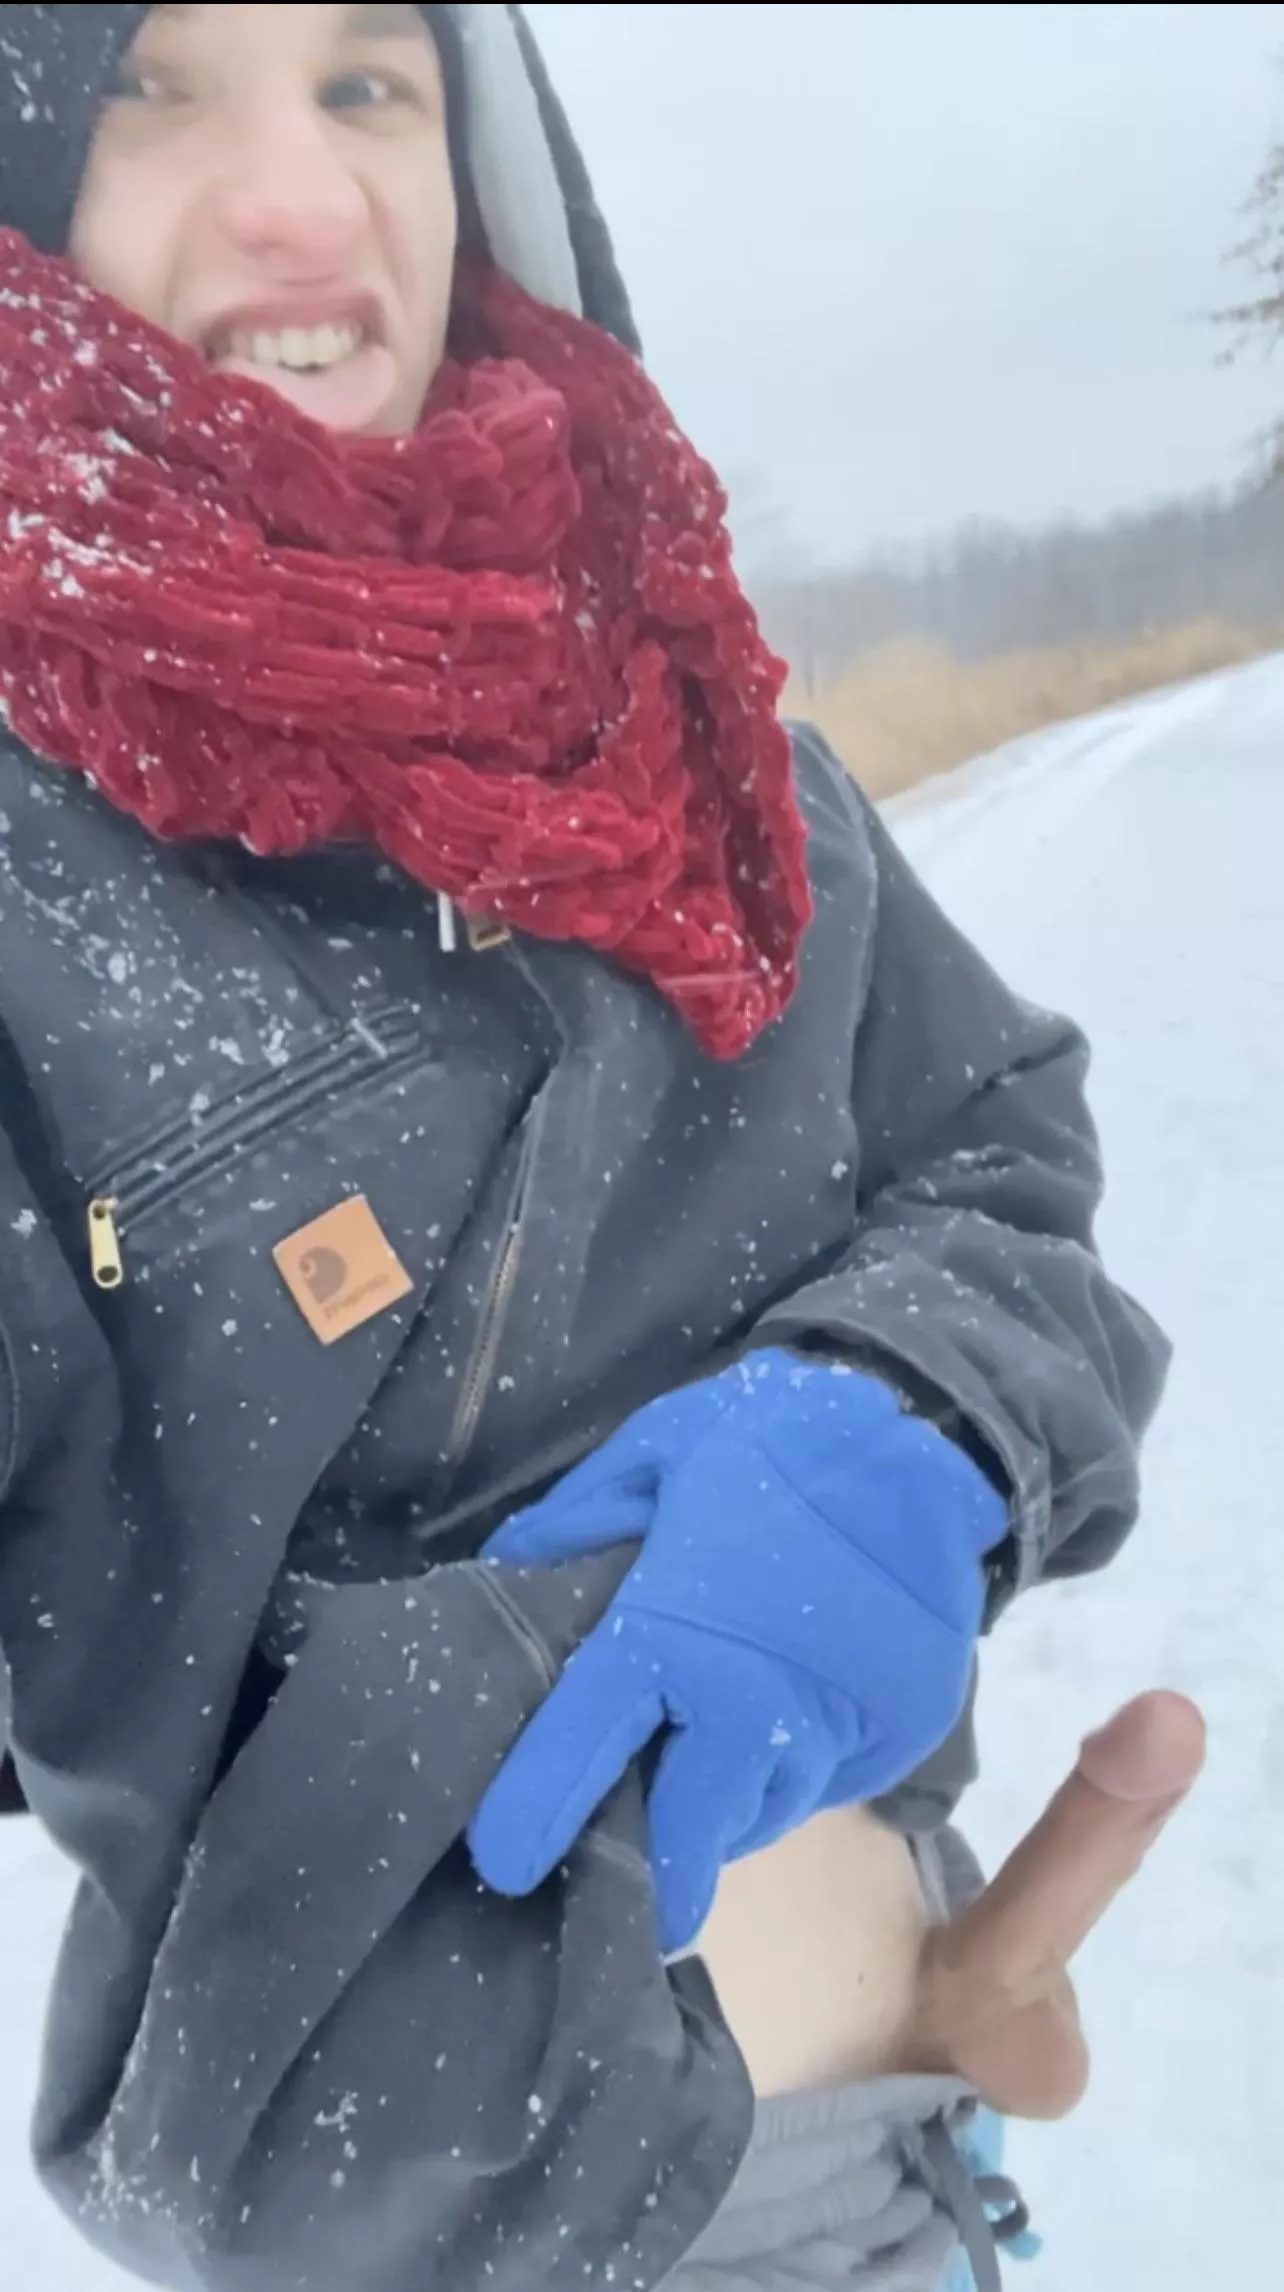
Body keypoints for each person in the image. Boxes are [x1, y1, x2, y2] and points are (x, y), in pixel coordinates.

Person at [0, 6, 1173, 2289]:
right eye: (153, 84)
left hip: (905, 2131)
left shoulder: (695, 721)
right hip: (441, 2236)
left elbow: (997, 1140)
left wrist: (913, 1410)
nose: (302, 200)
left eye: (370, 85)